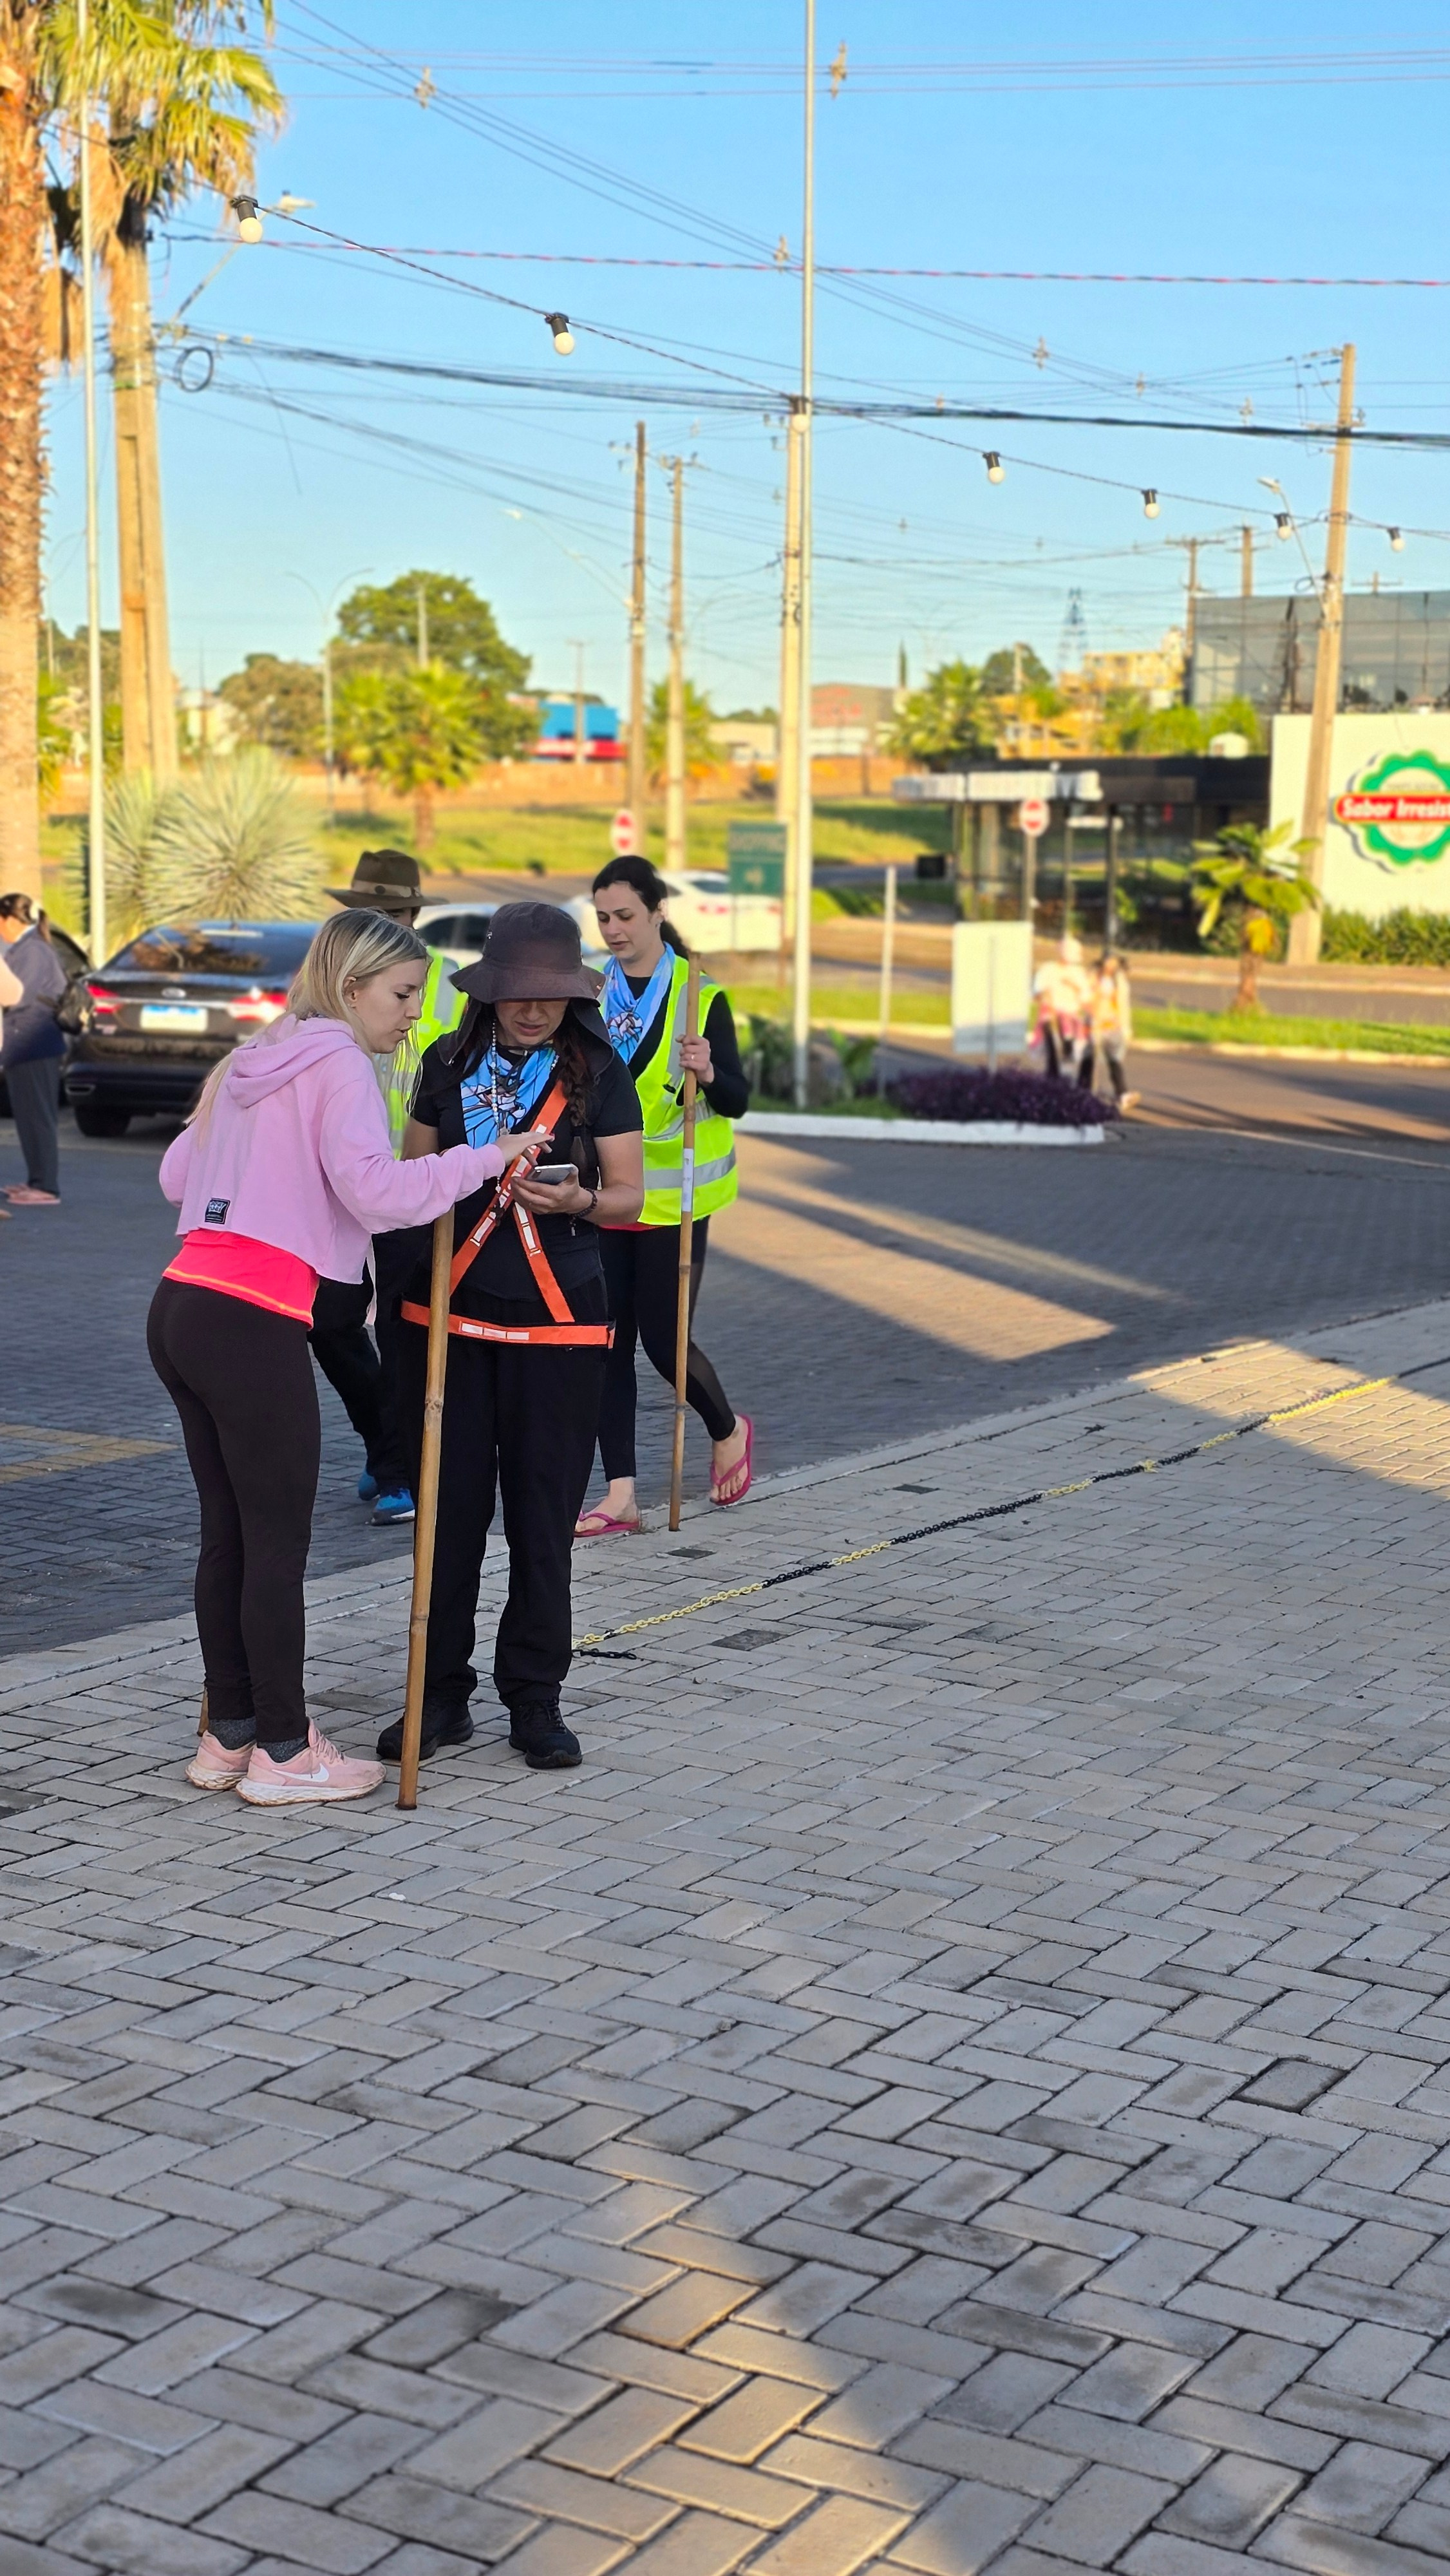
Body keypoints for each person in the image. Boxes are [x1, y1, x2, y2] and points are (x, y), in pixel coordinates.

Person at [149, 909, 541, 1809]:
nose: (414, 1013)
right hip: (251, 1315)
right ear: (354, 986)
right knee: (274, 1546)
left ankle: (232, 1735)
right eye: (404, 994)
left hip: (181, 1304)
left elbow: (178, 1176)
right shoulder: (338, 1064)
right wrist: (489, 1158)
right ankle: (286, 1751)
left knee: (233, 1538)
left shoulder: (258, 1054)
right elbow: (378, 1192)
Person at [377, 900, 644, 1773]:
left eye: (550, 994)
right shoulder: (449, 1062)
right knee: (449, 1521)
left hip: (559, 1326)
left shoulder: (601, 1067)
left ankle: (534, 1698)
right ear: (489, 990)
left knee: (539, 1525)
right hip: (447, 1322)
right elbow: (412, 1180)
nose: (533, 1009)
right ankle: (438, 1697)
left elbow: (629, 1198)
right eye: (517, 994)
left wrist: (578, 1201)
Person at [578, 854, 751, 1538]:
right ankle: (620, 1492)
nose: (613, 930)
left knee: (663, 1343)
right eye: (602, 918)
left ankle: (727, 1427)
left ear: (656, 911)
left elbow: (738, 1098)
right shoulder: (591, 994)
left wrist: (708, 1071)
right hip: (607, 1196)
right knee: (605, 1343)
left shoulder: (699, 993)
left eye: (624, 915)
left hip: (675, 1199)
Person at [314, 848, 465, 1526]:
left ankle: (402, 1469)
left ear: (409, 916)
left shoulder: (447, 987)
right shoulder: (338, 986)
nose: (366, 920)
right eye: (358, 911)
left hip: (412, 1182)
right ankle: (384, 1443)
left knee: (405, 1332)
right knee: (329, 1322)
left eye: (380, 911)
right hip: (345, 1186)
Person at [0, 894, 68, 1206]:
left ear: (11, 920)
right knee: (28, 1117)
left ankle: (47, 1187)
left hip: (34, 1045)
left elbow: (17, 997)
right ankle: (36, 1180)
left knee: (38, 1117)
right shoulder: (31, 948)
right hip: (25, 1046)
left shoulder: (33, 951)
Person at [1082, 950, 1138, 1109]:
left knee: (1114, 1060)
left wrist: (1126, 1028)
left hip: (1112, 1026)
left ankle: (1122, 1093)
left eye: (1114, 962)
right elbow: (1085, 997)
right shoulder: (1093, 976)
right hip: (1093, 1024)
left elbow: (1123, 1005)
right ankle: (1084, 1092)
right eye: (1108, 961)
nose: (1111, 965)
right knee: (1089, 1060)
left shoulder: (1119, 981)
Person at [1033, 933, 1091, 1081]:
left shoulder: (1078, 973)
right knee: (1052, 1046)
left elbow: (1086, 996)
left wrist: (1074, 986)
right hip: (1051, 1013)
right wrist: (1044, 993)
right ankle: (1053, 1076)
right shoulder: (1048, 969)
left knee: (1070, 1045)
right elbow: (1037, 991)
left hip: (1071, 1015)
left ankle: (1066, 1073)